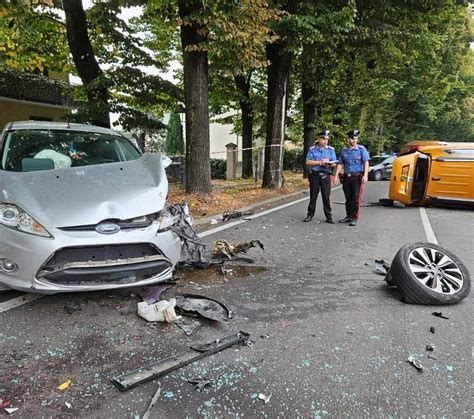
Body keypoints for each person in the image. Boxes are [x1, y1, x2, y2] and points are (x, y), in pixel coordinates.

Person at [333, 129, 370, 226]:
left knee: (355, 198)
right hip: (346, 178)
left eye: (356, 138)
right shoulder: (344, 151)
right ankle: (348, 216)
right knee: (348, 198)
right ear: (348, 139)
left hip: (356, 177)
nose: (354, 140)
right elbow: (341, 163)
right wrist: (336, 175)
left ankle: (354, 217)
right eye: (352, 138)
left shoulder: (361, 150)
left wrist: (366, 175)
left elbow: (366, 162)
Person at [303, 129, 337, 223]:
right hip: (315, 175)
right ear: (318, 139)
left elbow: (335, 163)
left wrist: (328, 164)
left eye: (326, 139)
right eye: (323, 138)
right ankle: (310, 214)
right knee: (313, 196)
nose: (325, 141)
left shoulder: (331, 150)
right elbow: (308, 162)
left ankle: (328, 216)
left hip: (325, 175)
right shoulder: (312, 149)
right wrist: (319, 162)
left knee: (326, 196)